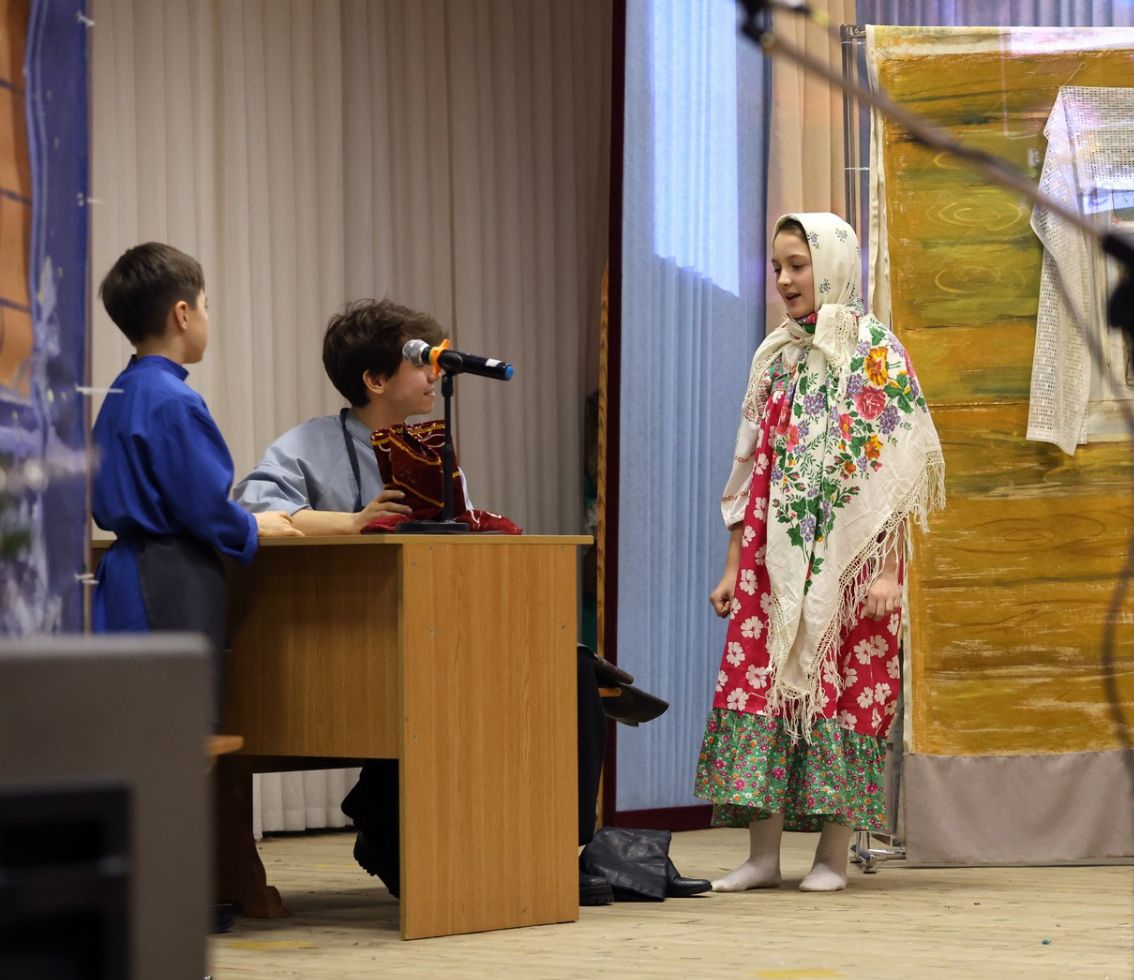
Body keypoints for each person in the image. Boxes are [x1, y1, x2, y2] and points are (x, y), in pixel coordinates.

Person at [233, 299, 616, 904]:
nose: (437, 373)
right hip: (348, 649)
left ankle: (554, 848)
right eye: (422, 360)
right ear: (375, 379)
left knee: (570, 671)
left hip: (435, 636)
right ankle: (386, 824)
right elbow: (256, 516)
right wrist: (351, 523)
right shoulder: (305, 446)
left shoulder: (434, 453)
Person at [693, 212, 944, 893]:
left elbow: (900, 472)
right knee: (762, 686)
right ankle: (762, 857)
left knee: (849, 693)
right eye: (777, 267)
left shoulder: (874, 352)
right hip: (772, 562)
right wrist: (732, 565)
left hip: (854, 566)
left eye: (797, 265)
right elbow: (749, 465)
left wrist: (888, 571)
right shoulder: (775, 356)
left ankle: (832, 858)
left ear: (831, 265)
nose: (784, 280)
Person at [91, 242, 300, 732]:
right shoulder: (174, 400)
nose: (207, 317)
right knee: (174, 735)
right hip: (169, 578)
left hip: (123, 575)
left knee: (127, 729)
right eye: (206, 305)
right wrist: (253, 525)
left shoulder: (120, 391)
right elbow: (203, 506)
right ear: (183, 314)